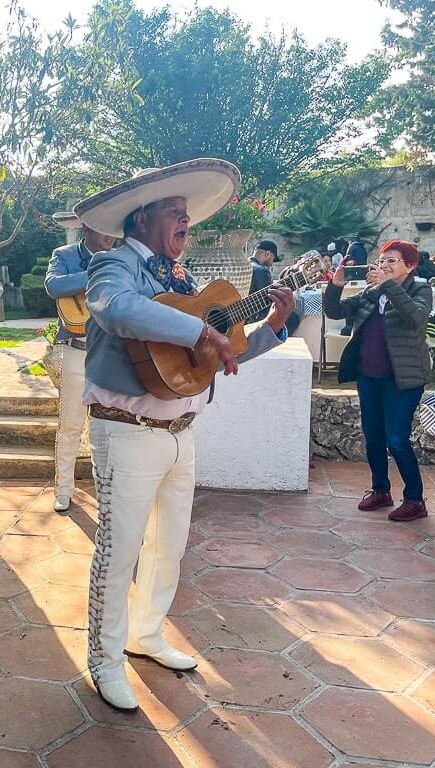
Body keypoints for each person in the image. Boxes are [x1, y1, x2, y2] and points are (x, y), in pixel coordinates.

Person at [72, 158, 294, 711]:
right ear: (142, 219)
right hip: (128, 432)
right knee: (119, 550)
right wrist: (198, 327)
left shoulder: (184, 280)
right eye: (174, 213)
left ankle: (146, 634)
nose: (185, 223)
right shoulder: (112, 265)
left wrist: (269, 328)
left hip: (182, 429)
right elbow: (116, 310)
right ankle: (104, 660)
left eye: (186, 215)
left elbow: (219, 355)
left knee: (168, 546)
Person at [324, 240, 432, 523]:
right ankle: (381, 490)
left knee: (397, 439)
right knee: (373, 437)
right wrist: (335, 285)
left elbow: (416, 318)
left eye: (392, 261)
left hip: (402, 378)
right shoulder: (371, 292)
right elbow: (335, 312)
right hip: (368, 376)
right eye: (382, 260)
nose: (384, 266)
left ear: (410, 265)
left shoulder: (419, 287)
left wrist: (387, 285)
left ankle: (415, 499)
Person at [44, 212, 116, 513]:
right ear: (87, 225)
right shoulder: (64, 255)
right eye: (104, 227)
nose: (111, 234)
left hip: (111, 353)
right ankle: (63, 489)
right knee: (70, 424)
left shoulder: (120, 258)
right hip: (76, 350)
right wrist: (96, 274)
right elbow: (54, 286)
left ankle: (108, 492)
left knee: (109, 426)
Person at [246, 239, 279, 321]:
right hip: (251, 323)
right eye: (273, 258)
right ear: (267, 254)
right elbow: (266, 303)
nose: (272, 263)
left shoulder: (243, 266)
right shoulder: (262, 271)